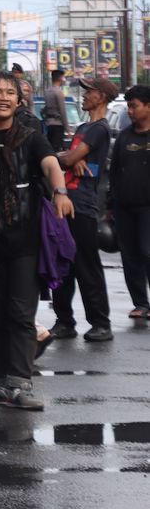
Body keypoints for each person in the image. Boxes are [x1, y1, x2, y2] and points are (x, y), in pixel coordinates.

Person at [0, 71, 73, 410]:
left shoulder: (31, 137)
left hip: (25, 244)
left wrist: (60, 191)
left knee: (20, 314)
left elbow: (51, 164)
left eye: (9, 92)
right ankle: (0, 384)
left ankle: (20, 383)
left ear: (19, 100)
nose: (3, 97)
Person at [49, 77, 114, 343]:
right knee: (62, 263)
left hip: (83, 205)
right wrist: (65, 159)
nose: (84, 95)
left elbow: (70, 158)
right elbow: (65, 159)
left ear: (102, 97)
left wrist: (66, 159)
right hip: (65, 201)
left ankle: (101, 323)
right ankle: (64, 321)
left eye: (89, 91)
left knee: (87, 265)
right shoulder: (84, 127)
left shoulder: (99, 128)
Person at [109, 85, 150, 319]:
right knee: (130, 255)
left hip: (147, 208)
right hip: (124, 206)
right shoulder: (124, 136)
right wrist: (110, 204)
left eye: (134, 106)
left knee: (147, 252)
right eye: (129, 107)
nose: (130, 111)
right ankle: (141, 303)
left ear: (148, 107)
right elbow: (114, 171)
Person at [43, 69, 70, 153]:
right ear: (60, 78)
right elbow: (62, 111)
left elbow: (45, 109)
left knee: (50, 148)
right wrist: (67, 128)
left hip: (48, 124)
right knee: (57, 150)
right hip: (58, 124)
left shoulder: (47, 91)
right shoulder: (59, 92)